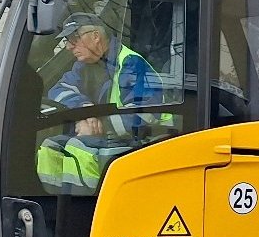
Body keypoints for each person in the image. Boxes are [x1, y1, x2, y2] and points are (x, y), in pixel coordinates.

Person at [36, 14, 170, 193]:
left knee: (80, 148)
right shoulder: (85, 65)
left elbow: (145, 115)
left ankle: (87, 208)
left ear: (96, 36)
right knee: (50, 148)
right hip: (115, 139)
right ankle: (51, 205)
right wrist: (85, 110)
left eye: (73, 39)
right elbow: (58, 90)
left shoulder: (131, 63)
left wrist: (100, 124)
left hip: (147, 144)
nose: (68, 47)